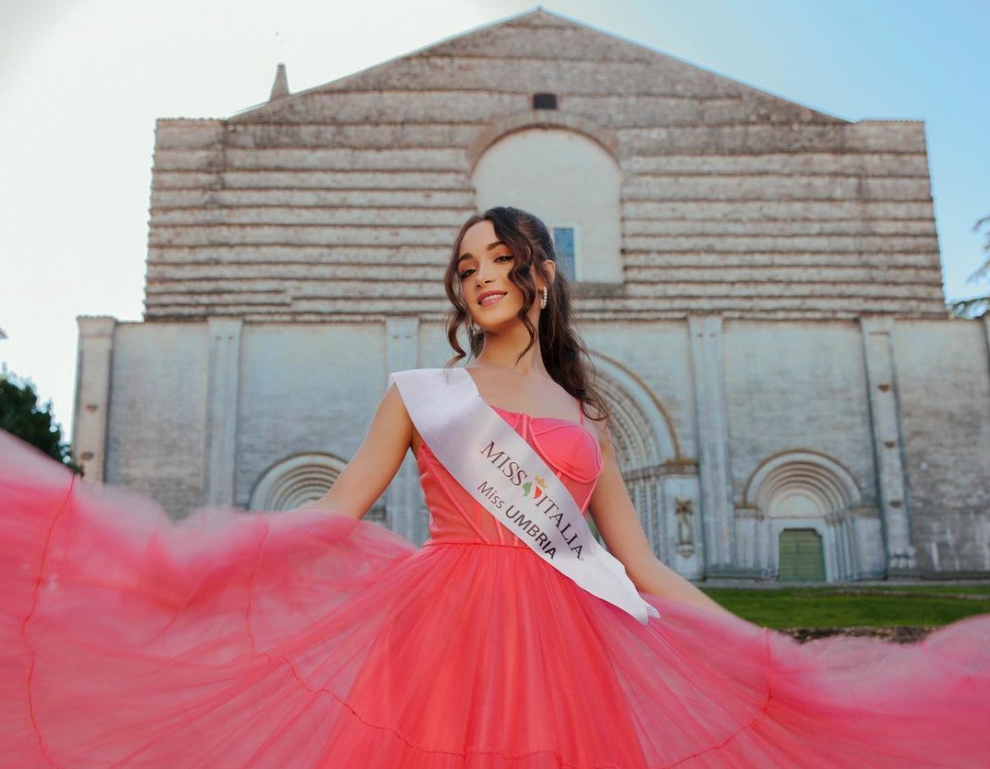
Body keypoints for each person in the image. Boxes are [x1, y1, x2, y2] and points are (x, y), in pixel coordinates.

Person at [0, 205, 987, 767]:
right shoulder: (423, 394)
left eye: (501, 259)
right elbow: (337, 511)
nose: (482, 276)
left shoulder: (589, 417)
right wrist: (191, 564)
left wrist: (753, 642)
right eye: (466, 264)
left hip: (572, 641)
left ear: (542, 275)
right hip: (441, 633)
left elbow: (635, 565)